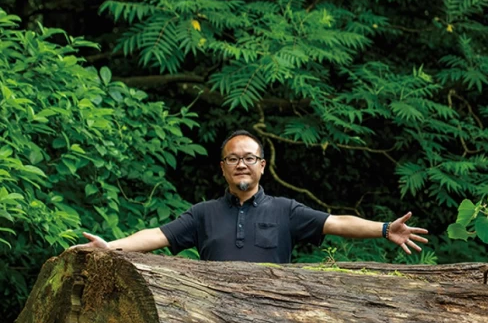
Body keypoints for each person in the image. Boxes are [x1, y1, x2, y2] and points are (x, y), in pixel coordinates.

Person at [71, 129, 429, 261]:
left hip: (272, 321)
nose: (241, 164)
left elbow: (337, 222)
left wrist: (385, 229)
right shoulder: (203, 213)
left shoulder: (286, 210)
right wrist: (111, 247)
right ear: (223, 168)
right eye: (233, 159)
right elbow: (156, 236)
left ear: (262, 166)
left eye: (249, 158)